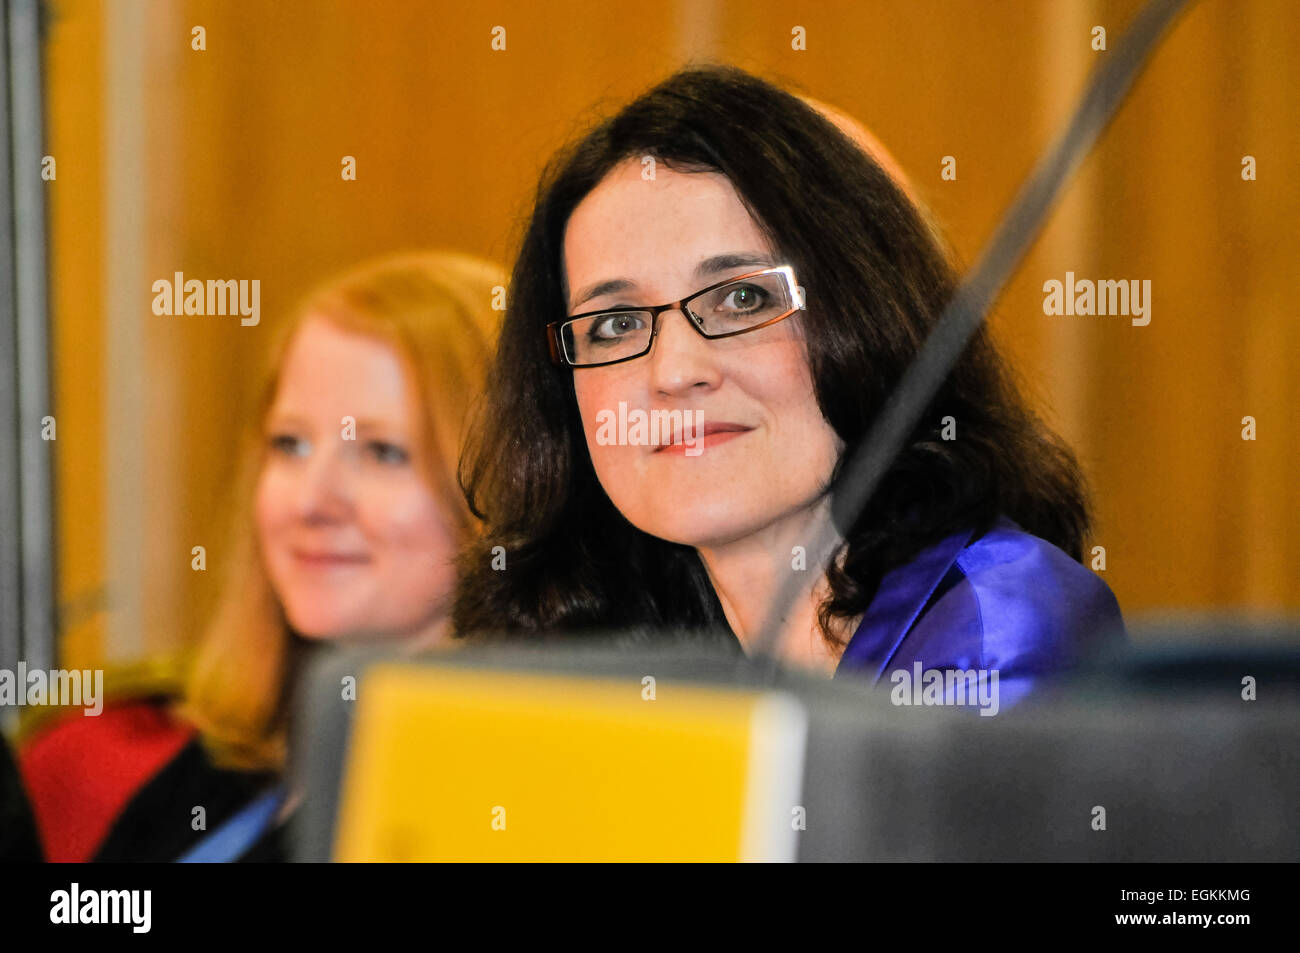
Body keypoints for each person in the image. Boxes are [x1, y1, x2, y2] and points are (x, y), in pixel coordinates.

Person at [453, 64, 1126, 708]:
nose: (675, 370)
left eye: (741, 298)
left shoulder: (994, 624)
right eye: (616, 323)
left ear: (869, 311)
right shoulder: (615, 657)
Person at [20, 250, 503, 861]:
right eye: (290, 443)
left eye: (383, 452)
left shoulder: (500, 809)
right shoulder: (222, 765)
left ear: (510, 488)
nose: (311, 499)